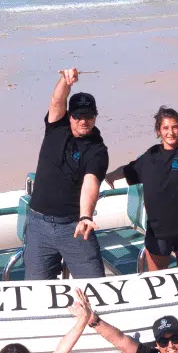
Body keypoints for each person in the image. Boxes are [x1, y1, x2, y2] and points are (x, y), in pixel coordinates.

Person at [106, 52, 178, 271]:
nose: (171, 132)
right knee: (157, 282)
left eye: (175, 127)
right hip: (158, 232)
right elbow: (129, 169)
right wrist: (111, 175)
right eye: (166, 128)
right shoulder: (150, 156)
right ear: (158, 131)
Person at [24, 68, 109, 280]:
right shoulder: (55, 127)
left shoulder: (97, 149)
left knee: (94, 285)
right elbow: (56, 101)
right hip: (38, 225)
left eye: (89, 116)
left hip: (74, 226)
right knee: (37, 291)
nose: (83, 121)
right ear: (69, 116)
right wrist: (65, 80)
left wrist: (86, 216)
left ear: (96, 117)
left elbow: (91, 182)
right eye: (78, 116)